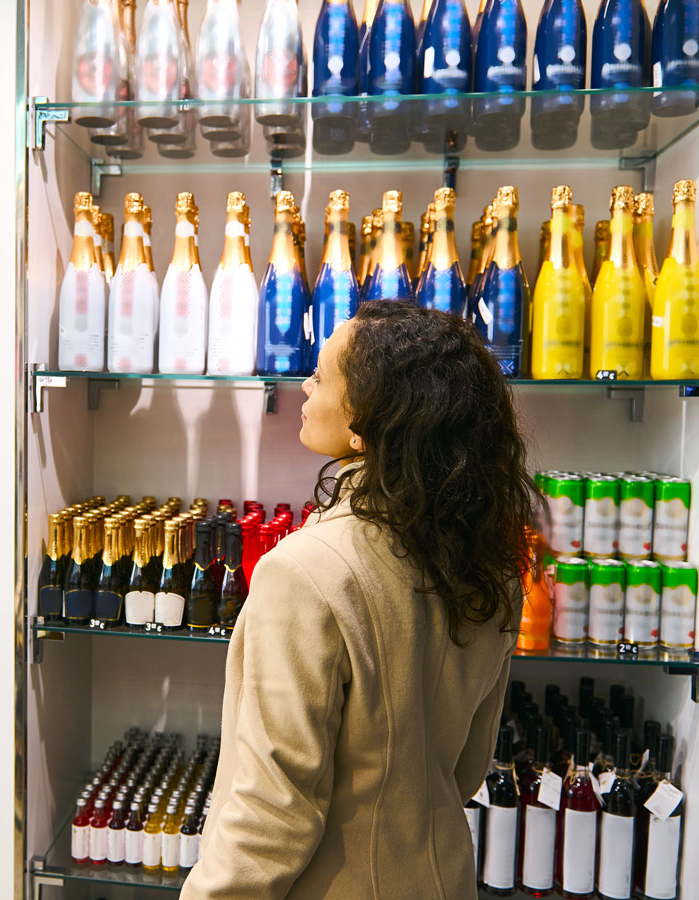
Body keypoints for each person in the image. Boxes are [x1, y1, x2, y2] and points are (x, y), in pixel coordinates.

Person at [181, 302, 539, 900]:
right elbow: (469, 765)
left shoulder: (305, 571)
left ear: (363, 422)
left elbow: (273, 810)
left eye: (320, 377)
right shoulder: (493, 563)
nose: (303, 384)